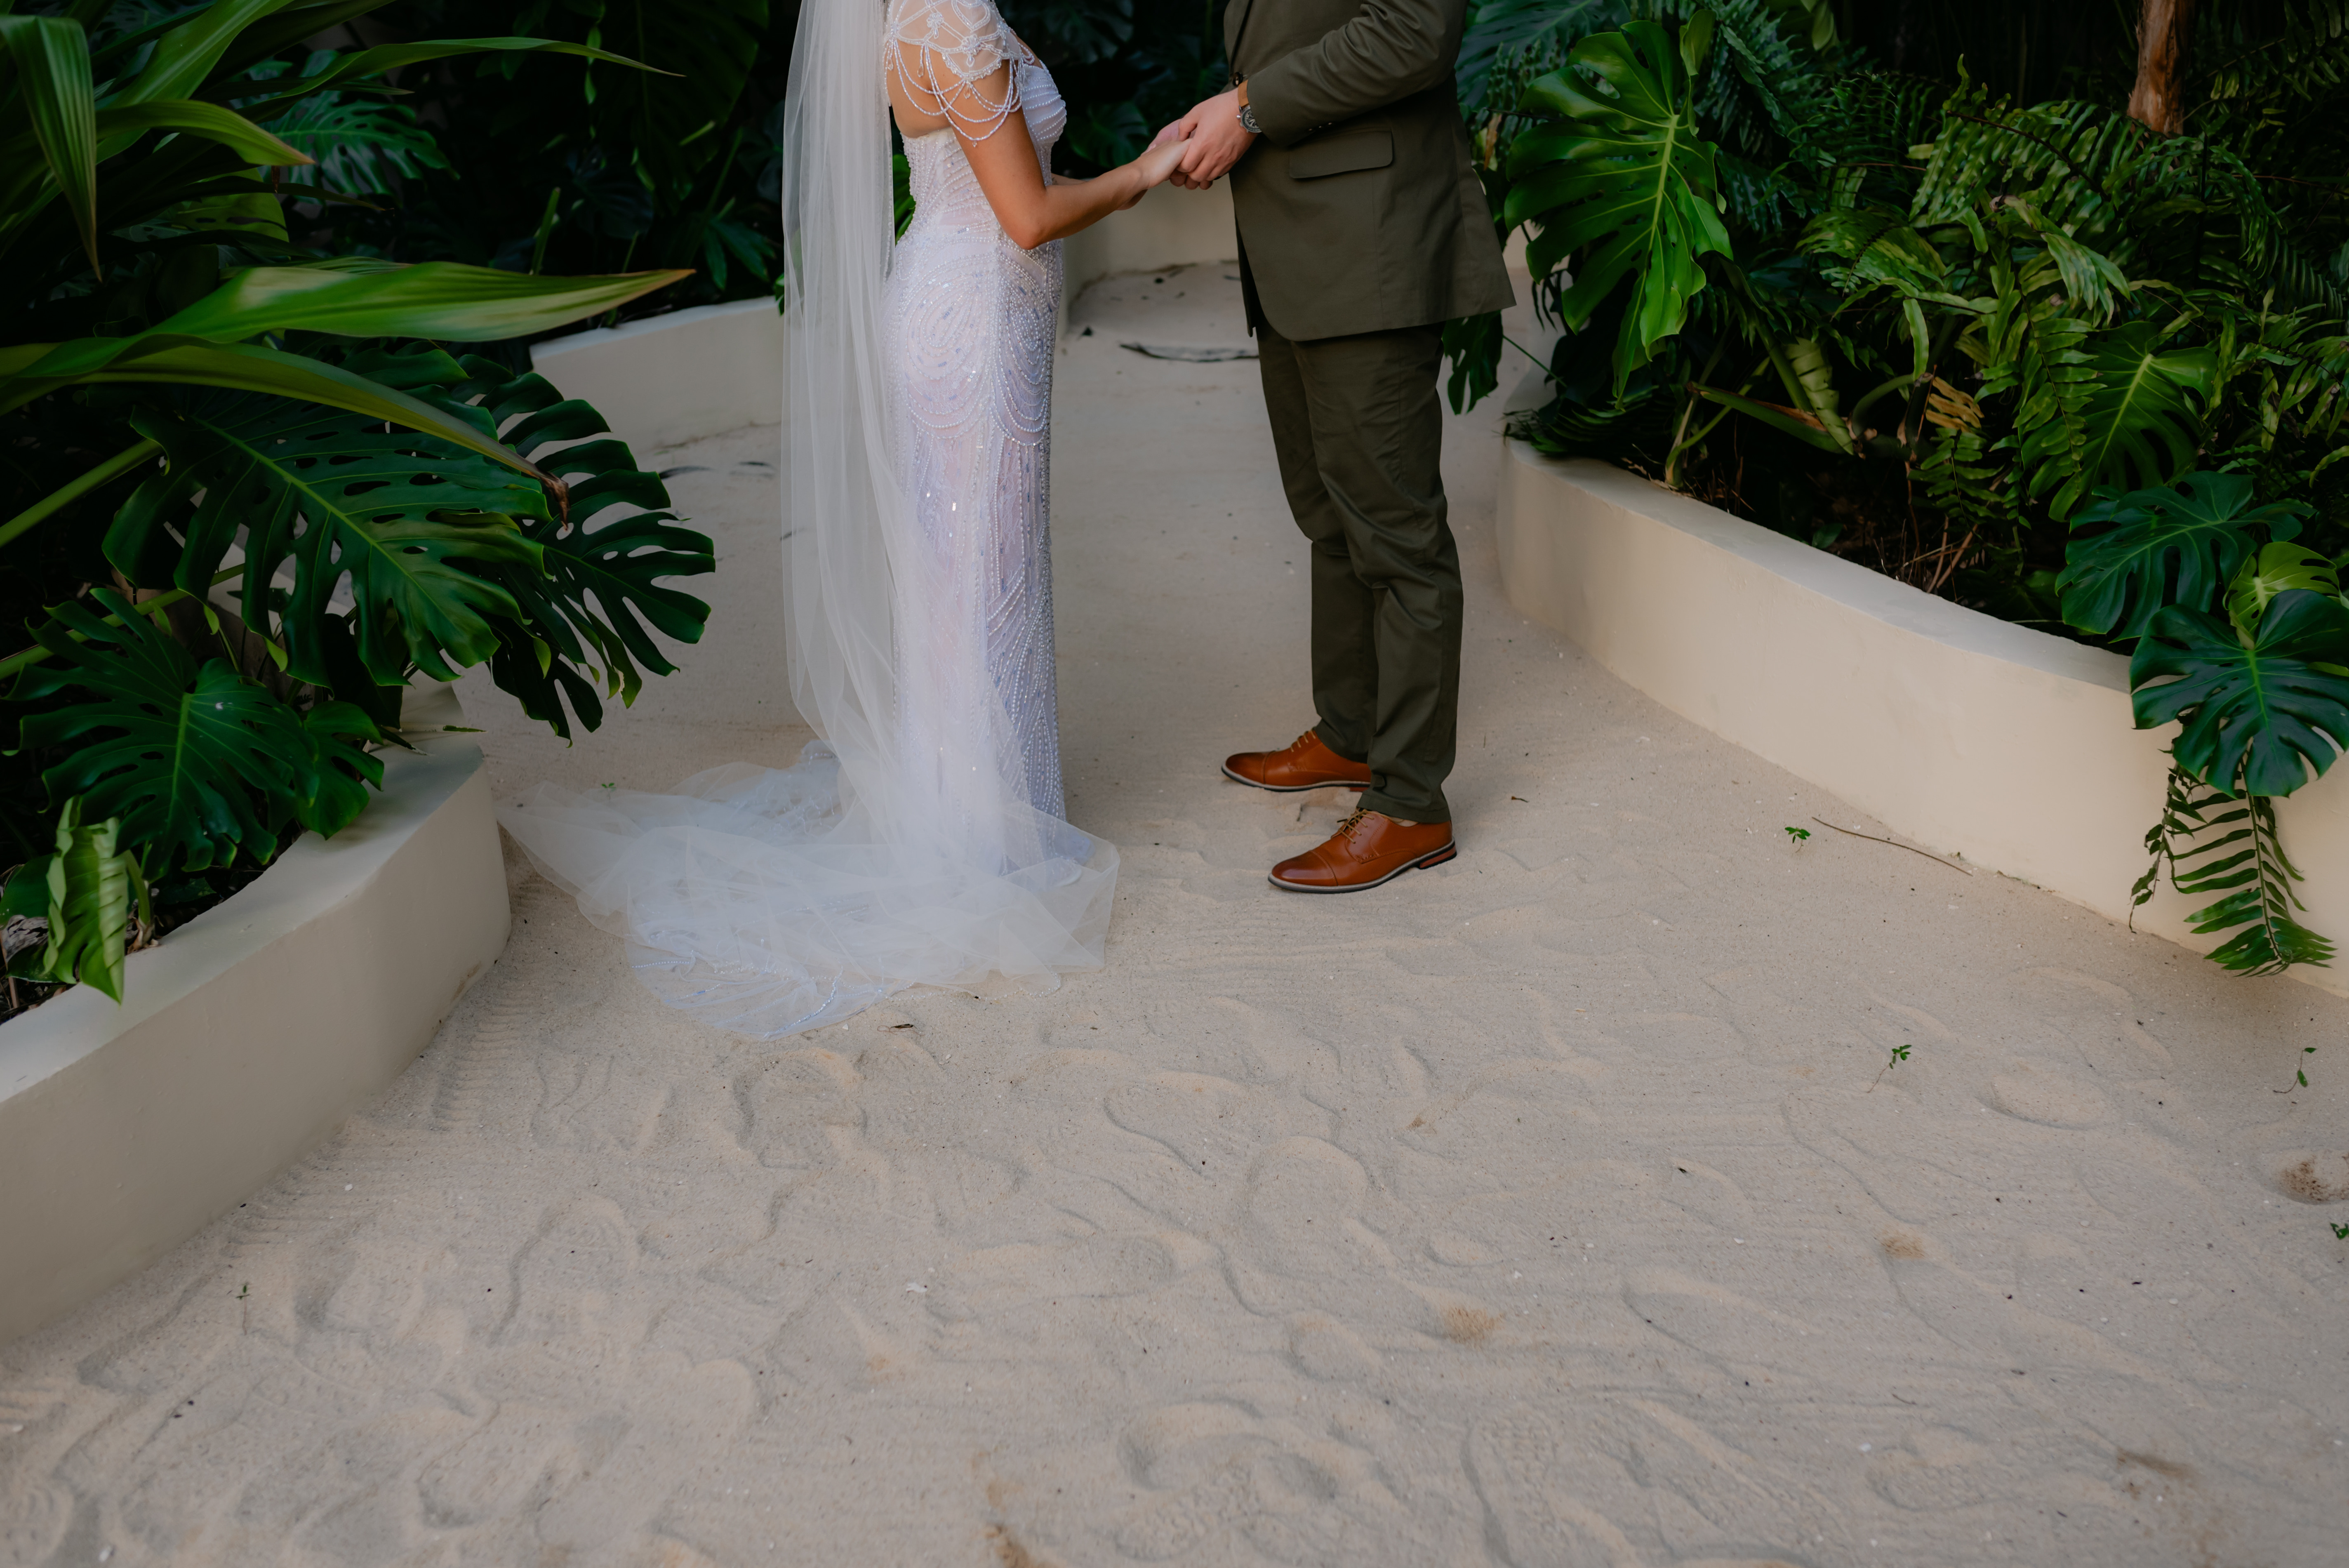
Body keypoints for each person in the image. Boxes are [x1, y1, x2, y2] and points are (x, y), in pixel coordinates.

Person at [497, 0, 1189, 1037]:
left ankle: (978, 811)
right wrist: (1143, 172)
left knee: (961, 577)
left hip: (956, 302)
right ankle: (984, 843)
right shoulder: (952, 20)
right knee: (984, 576)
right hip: (977, 318)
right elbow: (1027, 216)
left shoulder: (909, 16)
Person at [1155, 0, 1513, 893]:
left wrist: (1247, 109)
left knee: (1396, 537)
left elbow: (1415, 32)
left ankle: (1411, 804)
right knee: (1329, 511)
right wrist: (1228, 113)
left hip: (1370, 239)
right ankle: (1353, 734)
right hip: (1296, 243)